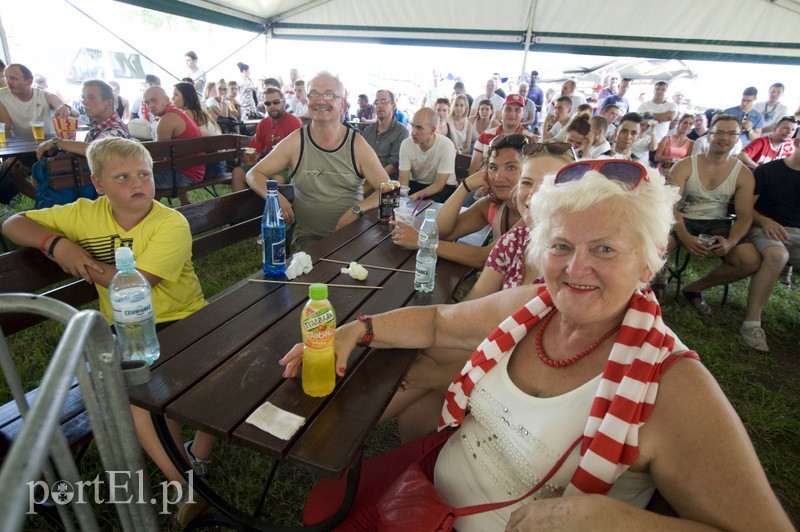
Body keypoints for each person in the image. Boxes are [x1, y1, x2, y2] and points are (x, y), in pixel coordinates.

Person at [285, 159, 792, 532]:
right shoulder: (531, 305)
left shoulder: (674, 383)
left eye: (605, 249)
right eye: (562, 246)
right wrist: (359, 329)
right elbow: (440, 322)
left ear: (649, 262)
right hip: (419, 503)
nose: (576, 268)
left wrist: (621, 522)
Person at [1, 137, 214, 525]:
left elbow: (135, 285)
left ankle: (196, 455)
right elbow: (13, 222)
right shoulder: (85, 213)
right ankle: (184, 486)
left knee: (206, 376)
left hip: (182, 316)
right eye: (122, 177)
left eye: (144, 174)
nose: (138, 184)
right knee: (136, 392)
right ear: (99, 184)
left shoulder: (170, 222)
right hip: (127, 326)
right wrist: (55, 243)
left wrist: (79, 259)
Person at [384, 141, 574, 441]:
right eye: (527, 182)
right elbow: (469, 308)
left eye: (549, 184)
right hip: (488, 346)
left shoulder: (576, 268)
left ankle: (344, 427)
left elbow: (532, 358)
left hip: (525, 384)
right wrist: (464, 186)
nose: (534, 193)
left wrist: (436, 373)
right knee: (415, 417)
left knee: (419, 374)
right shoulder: (515, 239)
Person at [245, 71, 389, 250]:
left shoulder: (356, 144)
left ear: (342, 105)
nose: (320, 100)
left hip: (351, 239)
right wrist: (274, 197)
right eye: (313, 94)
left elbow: (390, 190)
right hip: (310, 243)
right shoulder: (296, 141)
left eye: (329, 94)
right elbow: (254, 174)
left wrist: (358, 209)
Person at [652, 114, 759, 312]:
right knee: (657, 246)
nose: (724, 138)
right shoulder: (684, 165)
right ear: (708, 136)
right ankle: (659, 277)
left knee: (750, 260)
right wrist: (685, 236)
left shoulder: (743, 173)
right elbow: (670, 204)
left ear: (738, 138)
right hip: (681, 219)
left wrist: (731, 242)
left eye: (731, 133)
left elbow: (745, 216)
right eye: (719, 132)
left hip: (718, 223)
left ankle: (694, 288)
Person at [392, 134, 531, 269]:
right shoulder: (490, 205)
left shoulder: (533, 213)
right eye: (493, 168)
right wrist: (464, 186)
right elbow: (442, 233)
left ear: (530, 171)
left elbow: (485, 258)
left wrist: (422, 241)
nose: (498, 177)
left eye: (511, 167)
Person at [738, 135, 800, 352]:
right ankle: (751, 323)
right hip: (764, 227)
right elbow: (745, 209)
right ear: (798, 143)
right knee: (777, 256)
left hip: (797, 233)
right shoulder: (767, 171)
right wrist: (765, 220)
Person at [0, 63, 78, 199]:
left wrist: (65, 107)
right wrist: (11, 154)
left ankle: (51, 201)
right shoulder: (3, 97)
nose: (9, 82)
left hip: (50, 147)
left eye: (13, 78)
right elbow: (5, 127)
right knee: (10, 171)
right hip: (22, 147)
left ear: (29, 82)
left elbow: (74, 113)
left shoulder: (44, 95)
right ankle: (43, 202)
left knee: (54, 172)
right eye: (7, 78)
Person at [231, 87, 303, 191]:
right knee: (237, 172)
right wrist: (250, 157)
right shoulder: (263, 124)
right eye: (268, 103)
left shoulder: (294, 122)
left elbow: (298, 154)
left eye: (276, 102)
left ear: (283, 103)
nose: (272, 106)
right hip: (268, 164)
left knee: (274, 181)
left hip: (287, 167)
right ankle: (241, 206)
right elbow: (256, 151)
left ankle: (272, 206)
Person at [142, 86, 205, 189]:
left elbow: (158, 156)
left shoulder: (167, 119)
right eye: (147, 103)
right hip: (196, 172)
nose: (150, 106)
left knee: (134, 180)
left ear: (166, 99)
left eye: (154, 100)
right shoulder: (178, 113)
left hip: (183, 176)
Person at [398, 107, 457, 202]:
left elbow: (439, 185)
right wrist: (404, 198)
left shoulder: (446, 145)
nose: (413, 132)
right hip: (418, 183)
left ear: (432, 130)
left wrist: (415, 196)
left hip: (445, 187)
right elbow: (403, 180)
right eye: (412, 126)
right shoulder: (406, 144)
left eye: (419, 128)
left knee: (429, 205)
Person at [469, 94, 532, 174]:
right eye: (508, 109)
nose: (512, 114)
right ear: (501, 112)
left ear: (523, 114)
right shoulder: (485, 136)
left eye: (517, 110)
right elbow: (473, 171)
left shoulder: (531, 140)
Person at [361, 89, 409, 180]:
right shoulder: (368, 131)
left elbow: (393, 166)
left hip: (387, 182)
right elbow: (360, 158)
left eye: (384, 101)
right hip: (364, 178)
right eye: (376, 103)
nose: (379, 105)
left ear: (393, 106)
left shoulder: (402, 132)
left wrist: (369, 182)